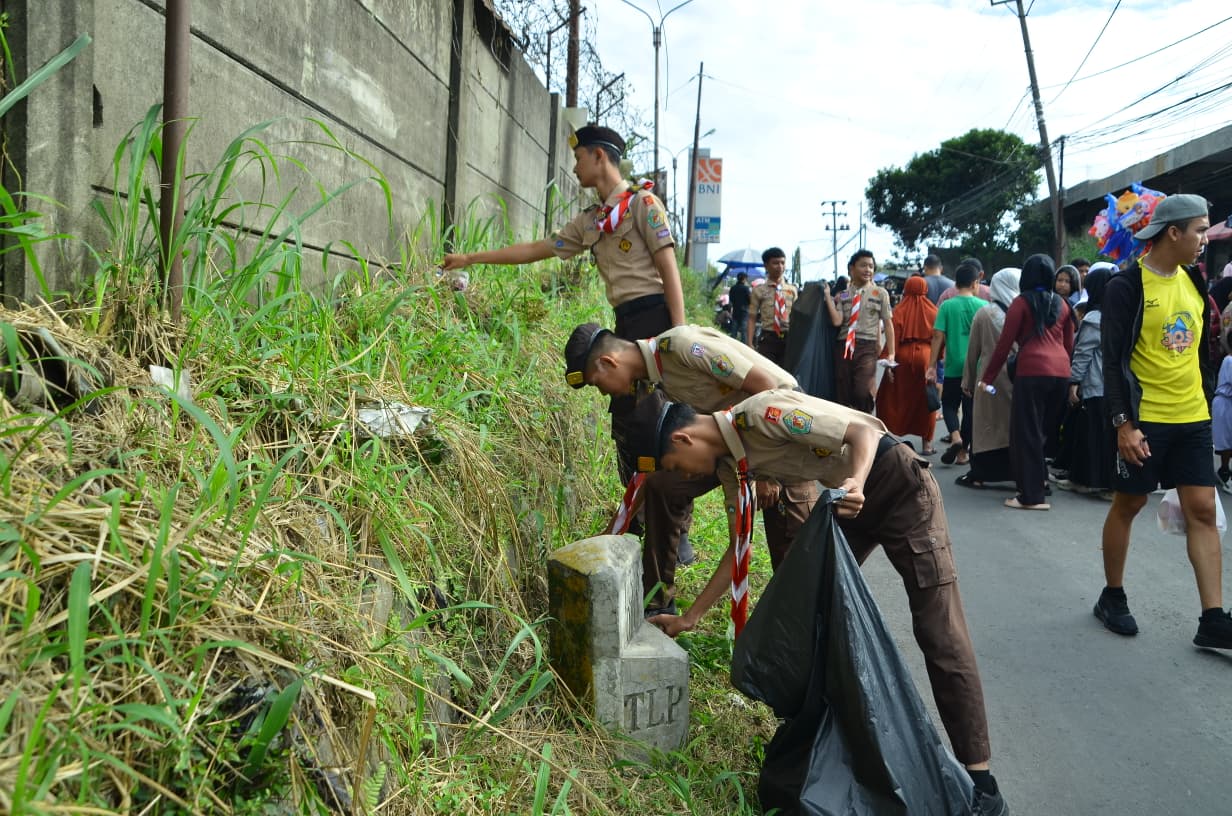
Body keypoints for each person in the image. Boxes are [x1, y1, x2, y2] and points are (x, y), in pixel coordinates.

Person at [632, 390, 1009, 816]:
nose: (681, 475)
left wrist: (857, 482)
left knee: (939, 631)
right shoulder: (730, 464)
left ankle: (983, 784)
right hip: (848, 506)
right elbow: (739, 543)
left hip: (899, 485)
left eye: (673, 466)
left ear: (682, 439)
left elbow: (864, 432)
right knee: (806, 611)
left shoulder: (761, 415)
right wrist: (690, 617)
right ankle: (826, 744)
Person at [441, 123, 706, 613]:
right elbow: (538, 250)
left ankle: (675, 528)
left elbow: (668, 268)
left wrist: (679, 334)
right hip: (625, 328)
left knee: (666, 427)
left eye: (579, 156)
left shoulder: (643, 205)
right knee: (629, 429)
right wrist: (472, 257)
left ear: (600, 157)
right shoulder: (592, 222)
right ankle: (642, 518)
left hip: (658, 325)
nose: (575, 165)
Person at [563, 322, 818, 570]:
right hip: (727, 446)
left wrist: (767, 475)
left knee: (793, 554)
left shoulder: (684, 347)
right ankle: (658, 594)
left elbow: (766, 388)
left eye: (597, 383)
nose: (603, 393)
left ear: (608, 362)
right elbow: (650, 470)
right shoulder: (652, 384)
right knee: (662, 484)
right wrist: (612, 531)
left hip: (783, 432)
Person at [1096, 193, 1232, 649]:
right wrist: (1123, 423)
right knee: (1129, 504)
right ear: (1173, 232)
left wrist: (1207, 396)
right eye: (1200, 230)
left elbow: (1199, 348)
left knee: (1203, 510)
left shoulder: (1193, 279)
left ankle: (1212, 618)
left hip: (1192, 417)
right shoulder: (1127, 286)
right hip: (1146, 420)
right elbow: (1112, 360)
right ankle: (1112, 596)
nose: (1205, 239)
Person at [978, 254, 1074, 510]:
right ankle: (1040, 481)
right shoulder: (1063, 304)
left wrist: (987, 378)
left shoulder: (1020, 303)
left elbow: (1004, 344)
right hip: (1061, 374)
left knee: (1026, 433)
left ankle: (1031, 497)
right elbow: (1069, 345)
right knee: (1042, 433)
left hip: (1031, 372)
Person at [958, 268, 1020, 489]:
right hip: (1017, 376)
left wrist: (967, 380)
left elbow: (973, 350)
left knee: (986, 425)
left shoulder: (985, 313)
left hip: (989, 379)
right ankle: (1018, 473)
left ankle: (981, 473)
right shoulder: (1024, 311)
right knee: (1013, 426)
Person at [1056, 266, 1114, 496]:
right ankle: (1088, 480)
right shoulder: (1119, 314)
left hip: (1095, 383)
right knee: (1100, 436)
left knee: (1091, 436)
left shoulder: (1093, 319)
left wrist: (1074, 383)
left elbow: (1083, 354)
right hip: (1114, 385)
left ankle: (1091, 481)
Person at [928, 260, 986, 466]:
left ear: (956, 283)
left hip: (953, 365)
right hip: (976, 366)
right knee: (970, 410)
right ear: (975, 283)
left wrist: (931, 365)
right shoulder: (983, 306)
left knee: (950, 404)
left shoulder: (947, 306)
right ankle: (963, 453)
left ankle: (955, 436)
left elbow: (937, 336)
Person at [875, 276, 939, 452]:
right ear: (925, 289)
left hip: (901, 358)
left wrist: (889, 363)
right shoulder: (934, 311)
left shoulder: (899, 310)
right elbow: (938, 338)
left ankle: (890, 439)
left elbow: (892, 338)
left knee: (890, 399)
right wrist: (935, 362)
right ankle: (927, 444)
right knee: (926, 400)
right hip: (926, 357)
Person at [827, 249, 895, 413]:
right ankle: (846, 424)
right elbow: (837, 321)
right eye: (863, 265)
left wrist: (891, 353)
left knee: (862, 390)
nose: (868, 270)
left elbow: (888, 324)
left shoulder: (880, 294)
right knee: (843, 389)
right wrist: (828, 298)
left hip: (867, 347)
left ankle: (865, 419)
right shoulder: (844, 295)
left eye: (871, 266)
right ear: (852, 268)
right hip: (844, 345)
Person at [747, 247, 799, 361]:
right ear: (766, 266)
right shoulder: (759, 290)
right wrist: (750, 343)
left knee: (787, 370)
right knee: (767, 369)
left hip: (788, 338)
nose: (780, 266)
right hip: (768, 337)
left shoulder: (792, 290)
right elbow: (752, 317)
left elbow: (798, 317)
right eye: (775, 263)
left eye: (782, 263)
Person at [728, 272, 751, 343]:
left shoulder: (733, 288)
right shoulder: (746, 288)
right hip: (744, 312)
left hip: (735, 311)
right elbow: (750, 300)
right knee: (744, 331)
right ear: (744, 279)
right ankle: (743, 345)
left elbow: (731, 300)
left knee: (734, 330)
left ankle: (732, 344)